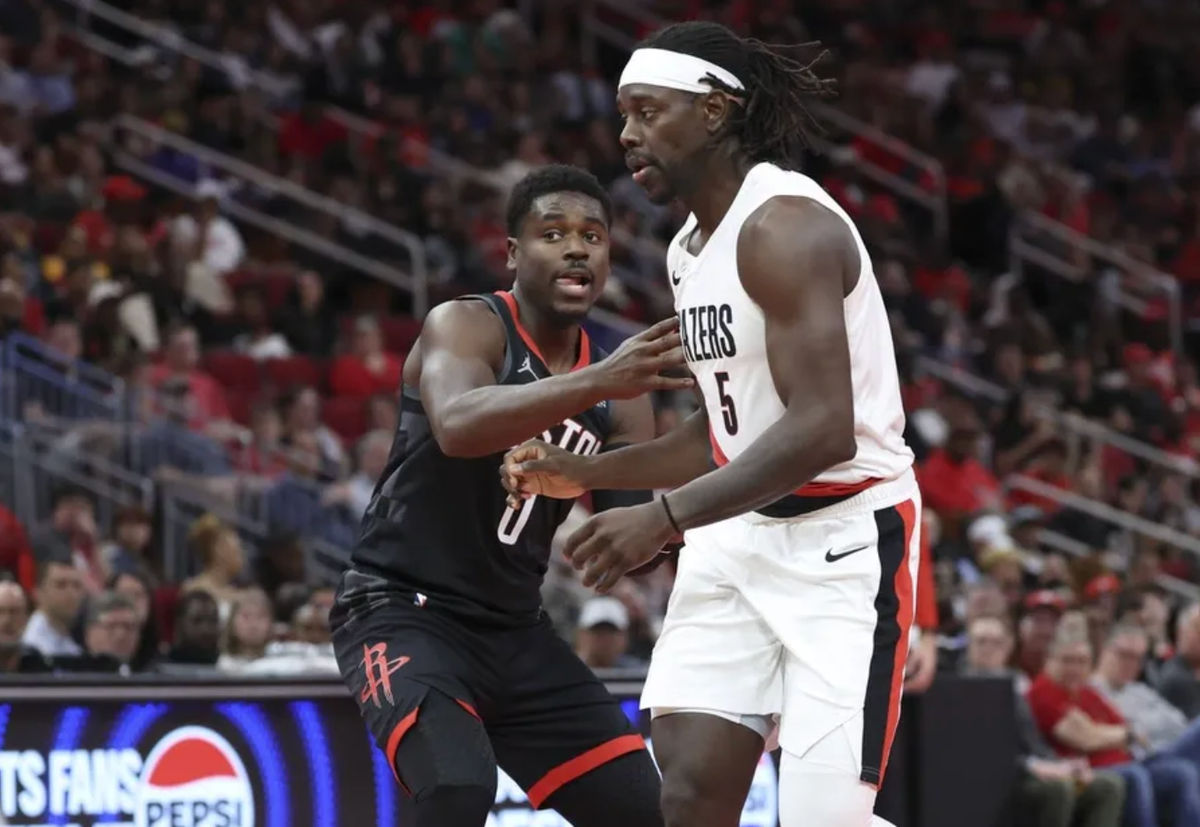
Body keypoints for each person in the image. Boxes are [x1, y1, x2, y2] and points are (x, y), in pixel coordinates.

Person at [505, 23, 918, 827]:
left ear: (718, 111)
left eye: (648, 111)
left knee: (821, 821)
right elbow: (723, 429)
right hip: (736, 537)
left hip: (845, 540)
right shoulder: (690, 246)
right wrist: (588, 474)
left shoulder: (786, 227)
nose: (626, 134)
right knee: (688, 797)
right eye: (623, 114)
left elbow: (824, 428)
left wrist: (662, 516)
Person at [331, 165, 688, 827]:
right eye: (554, 233)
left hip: (517, 629)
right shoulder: (468, 324)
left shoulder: (623, 389)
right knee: (454, 786)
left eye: (593, 235)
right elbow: (460, 425)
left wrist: (675, 507)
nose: (578, 247)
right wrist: (598, 381)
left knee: (647, 812)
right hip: (401, 608)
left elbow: (629, 541)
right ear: (515, 254)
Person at [960, 616, 1124, 827]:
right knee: (1059, 788)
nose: (989, 648)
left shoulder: (1014, 687)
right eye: (982, 641)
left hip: (1032, 770)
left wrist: (1063, 765)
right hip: (1000, 779)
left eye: (996, 642)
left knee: (1109, 785)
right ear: (969, 645)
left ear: (1009, 646)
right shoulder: (959, 692)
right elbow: (979, 752)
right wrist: (1034, 766)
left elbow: (1033, 741)